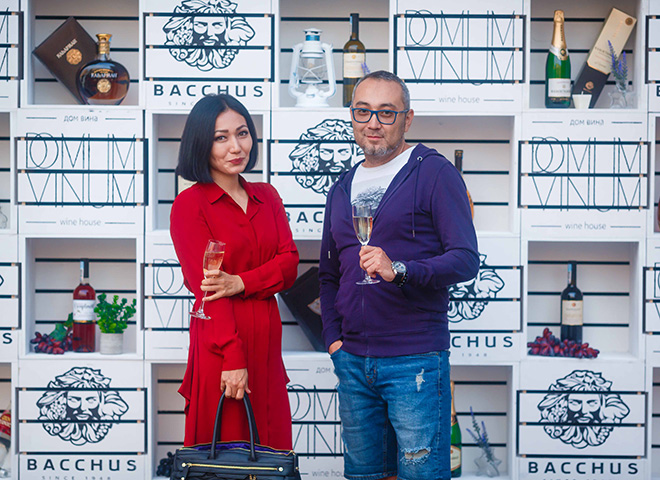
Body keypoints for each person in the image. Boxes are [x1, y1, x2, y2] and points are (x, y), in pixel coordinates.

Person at [319, 71, 480, 480]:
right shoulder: (341, 187)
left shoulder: (434, 172)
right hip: (353, 363)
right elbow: (329, 273)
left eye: (386, 112)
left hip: (415, 362)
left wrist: (401, 271)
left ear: (407, 119)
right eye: (363, 111)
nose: (373, 122)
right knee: (364, 476)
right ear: (352, 116)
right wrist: (335, 341)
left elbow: (465, 259)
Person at [170, 94, 299, 449]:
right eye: (221, 137)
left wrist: (240, 281)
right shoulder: (190, 205)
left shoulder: (267, 196)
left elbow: (289, 265)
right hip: (222, 346)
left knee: (272, 454)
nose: (236, 147)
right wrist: (232, 356)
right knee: (223, 455)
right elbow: (209, 289)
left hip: (268, 347)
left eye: (242, 133)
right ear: (201, 144)